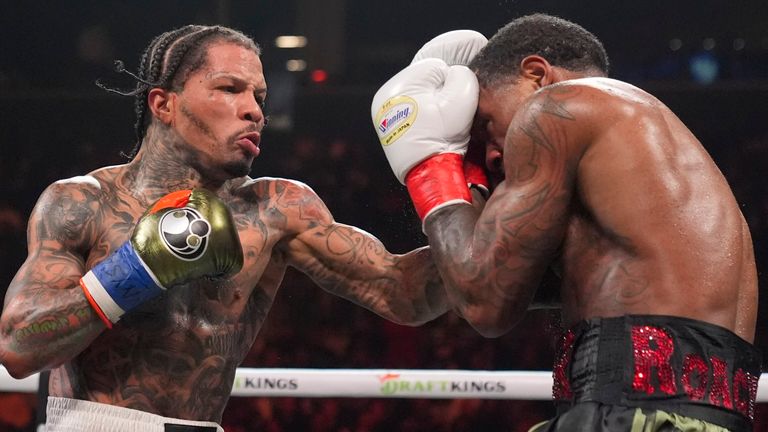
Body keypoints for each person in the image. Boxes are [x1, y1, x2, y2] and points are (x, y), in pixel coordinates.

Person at [0, 24, 451, 431]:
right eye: (230, 89)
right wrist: (136, 269)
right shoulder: (82, 202)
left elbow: (402, 292)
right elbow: (19, 346)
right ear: (164, 104)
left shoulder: (276, 208)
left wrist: (480, 206)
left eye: (259, 97)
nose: (254, 111)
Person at [371, 13, 761, 432]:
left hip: (625, 415)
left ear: (536, 75)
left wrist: (434, 165)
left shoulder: (555, 109)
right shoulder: (650, 178)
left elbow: (483, 300)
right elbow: (422, 286)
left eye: (484, 124)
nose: (491, 157)